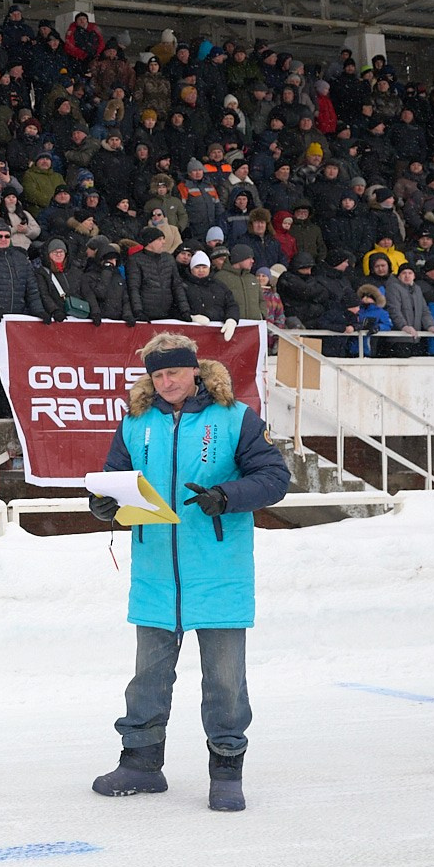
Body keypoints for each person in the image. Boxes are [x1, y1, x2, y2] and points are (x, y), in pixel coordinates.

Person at [85, 331, 291, 812]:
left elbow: (274, 478)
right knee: (147, 679)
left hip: (219, 570)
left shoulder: (235, 418)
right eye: (157, 374)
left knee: (224, 680)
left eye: (174, 372)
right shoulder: (136, 423)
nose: (166, 382)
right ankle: (140, 764)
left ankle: (226, 771)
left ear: (194, 370)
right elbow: (116, 479)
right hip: (155, 572)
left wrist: (226, 497)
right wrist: (104, 505)